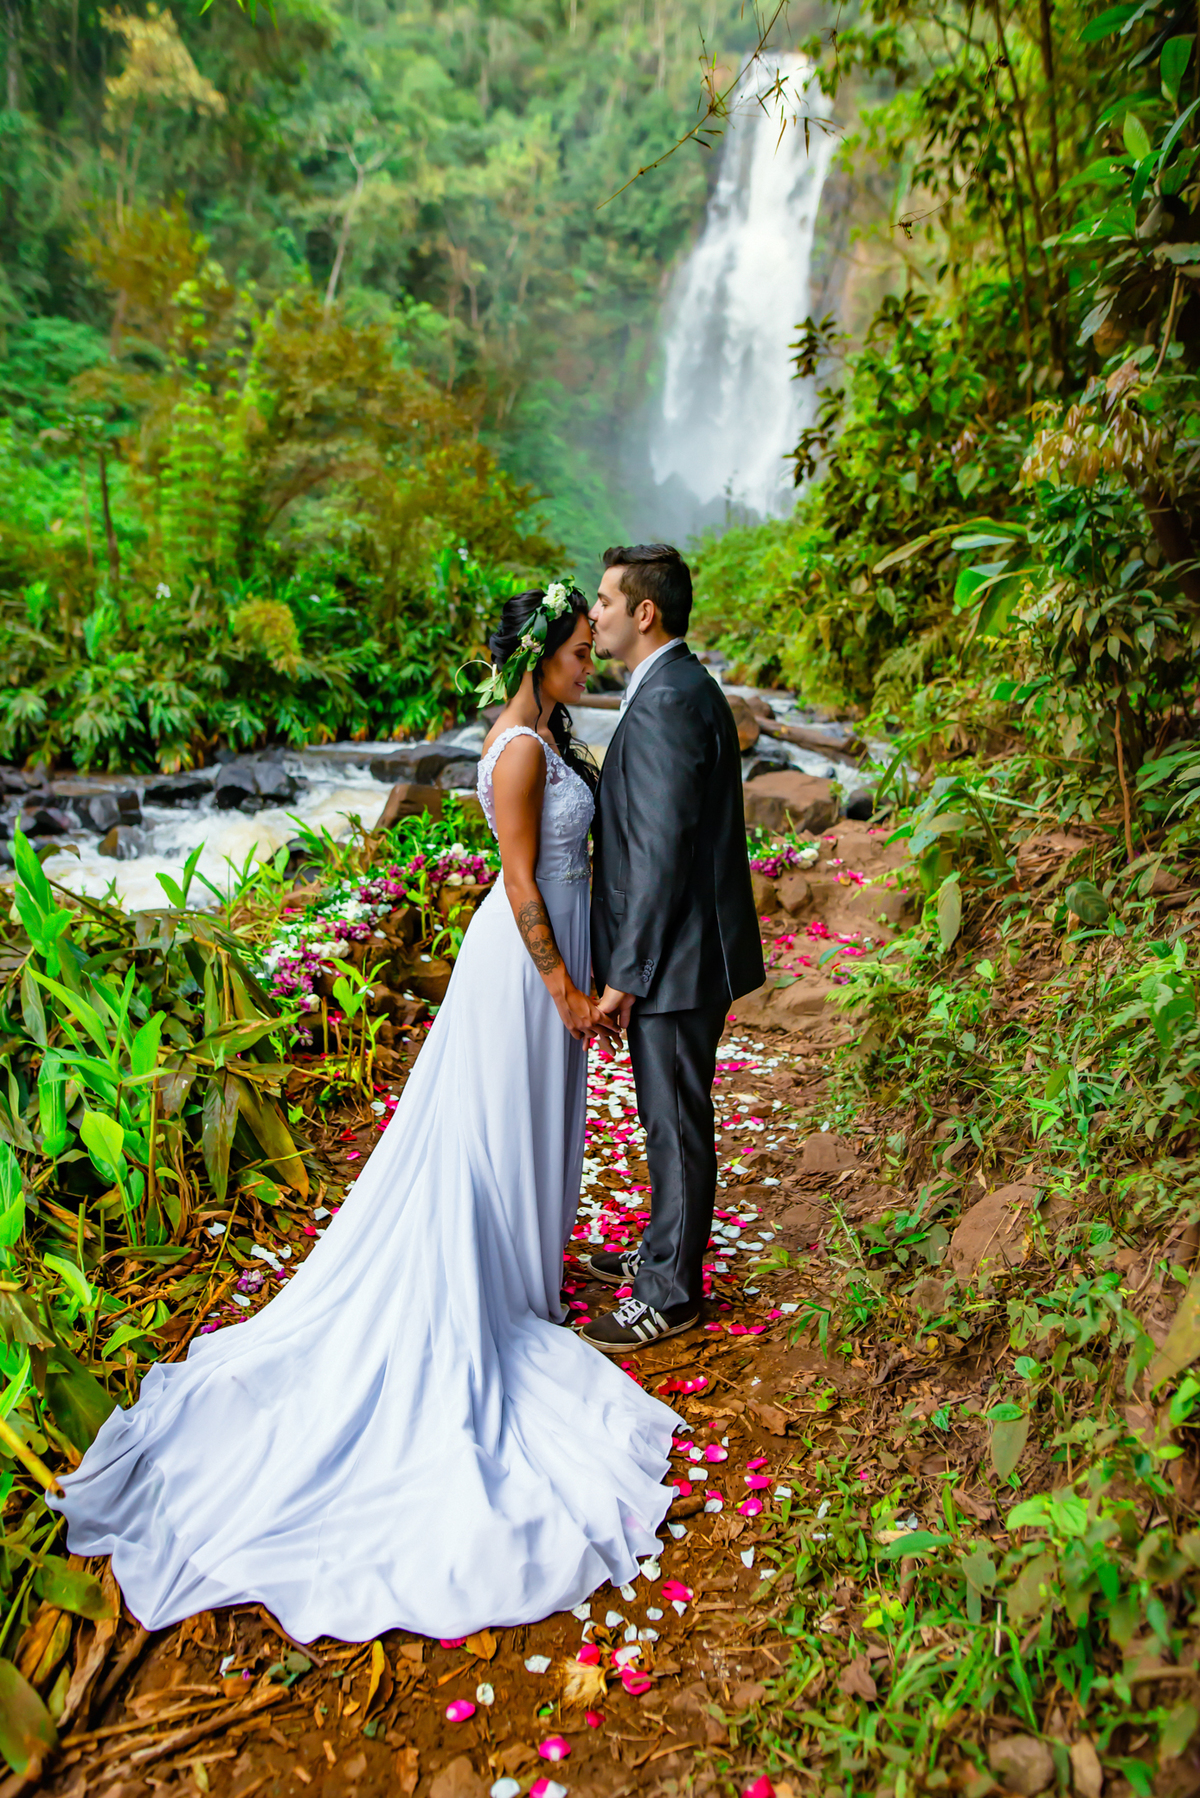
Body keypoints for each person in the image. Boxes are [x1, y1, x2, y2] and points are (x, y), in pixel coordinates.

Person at [49, 583, 679, 1644]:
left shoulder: (538, 732)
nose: (588, 666)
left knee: (522, 1135)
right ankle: (507, 1294)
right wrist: (569, 990)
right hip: (525, 966)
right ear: (537, 657)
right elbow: (523, 886)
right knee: (488, 1142)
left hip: (550, 954)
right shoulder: (521, 750)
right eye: (575, 653)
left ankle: (525, 1274)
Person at [580, 544, 764, 1354]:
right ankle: (662, 1254)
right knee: (669, 1115)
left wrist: (627, 973)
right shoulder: (679, 687)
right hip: (689, 947)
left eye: (606, 601)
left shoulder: (666, 701)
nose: (595, 614)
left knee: (674, 1120)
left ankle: (672, 1293)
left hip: (679, 958)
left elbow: (659, 854)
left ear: (643, 612)